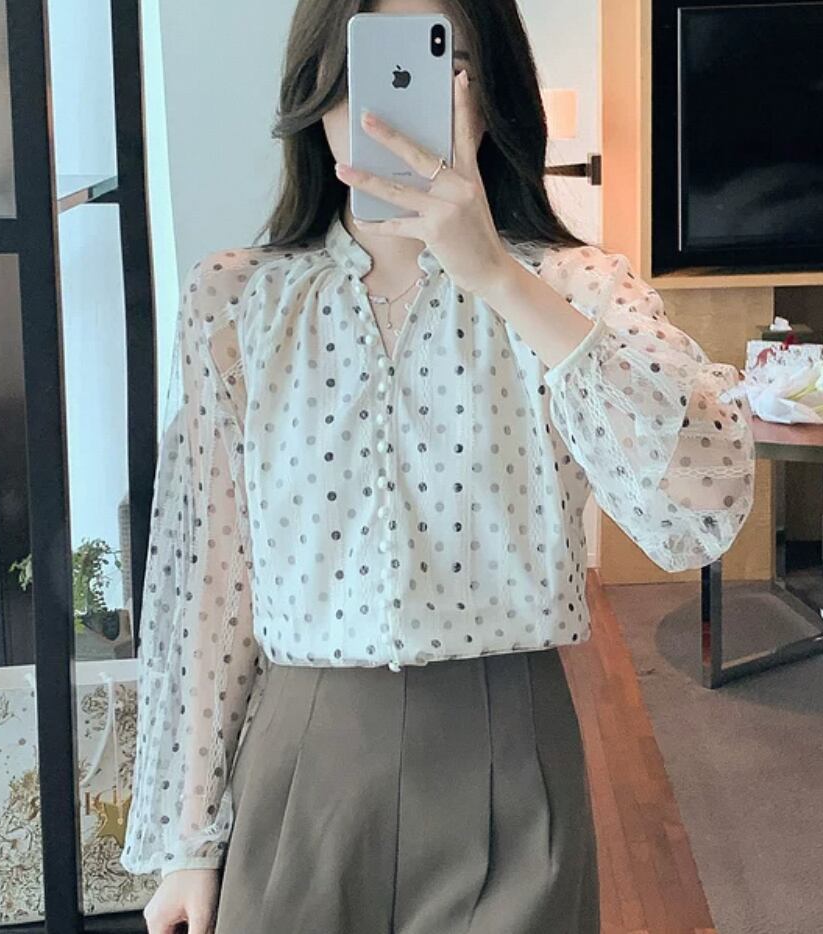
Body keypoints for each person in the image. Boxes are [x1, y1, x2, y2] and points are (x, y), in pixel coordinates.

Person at [120, 0, 756, 931]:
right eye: (364, 63)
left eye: (439, 61)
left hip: (510, 753)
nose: (390, 102)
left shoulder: (574, 288)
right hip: (302, 763)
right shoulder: (240, 300)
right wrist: (189, 843)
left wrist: (497, 275)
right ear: (316, 86)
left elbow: (703, 497)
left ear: (492, 89)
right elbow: (212, 585)